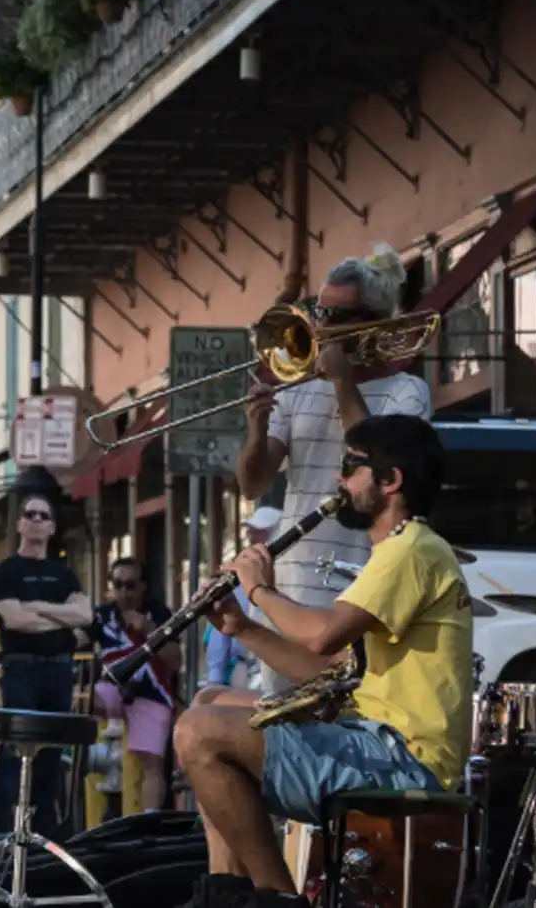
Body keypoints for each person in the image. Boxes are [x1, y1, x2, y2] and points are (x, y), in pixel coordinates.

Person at [176, 413, 473, 907]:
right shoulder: (394, 554)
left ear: (390, 480)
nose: (338, 479)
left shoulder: (414, 550)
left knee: (199, 730)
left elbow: (321, 635)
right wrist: (241, 628)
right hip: (373, 736)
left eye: (350, 466)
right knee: (210, 699)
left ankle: (275, 898)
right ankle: (223, 890)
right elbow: (330, 671)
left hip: (403, 758)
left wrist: (259, 589)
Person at [235, 244, 432, 693]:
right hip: (290, 581)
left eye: (338, 317)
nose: (321, 328)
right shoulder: (297, 390)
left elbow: (379, 460)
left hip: (360, 581)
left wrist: (343, 379)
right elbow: (253, 482)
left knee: (344, 714)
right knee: (280, 718)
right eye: (319, 312)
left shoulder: (408, 391)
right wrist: (255, 429)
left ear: (377, 322)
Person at [0, 494, 93, 839]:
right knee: (15, 746)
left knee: (51, 751)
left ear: (52, 526)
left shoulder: (64, 575)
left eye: (42, 515)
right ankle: (0, 830)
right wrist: (60, 618)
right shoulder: (6, 572)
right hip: (21, 670)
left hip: (59, 671)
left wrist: (37, 608)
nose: (35, 520)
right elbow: (14, 619)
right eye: (29, 514)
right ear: (18, 524)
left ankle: (43, 832)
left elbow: (85, 617)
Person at [86, 558, 180, 812]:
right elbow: (76, 643)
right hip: (111, 688)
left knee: (153, 761)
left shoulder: (160, 614)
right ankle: (92, 820)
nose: (124, 592)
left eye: (130, 585)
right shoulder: (102, 614)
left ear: (143, 587)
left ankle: (148, 822)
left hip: (152, 692)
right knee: (85, 705)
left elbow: (175, 661)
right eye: (117, 585)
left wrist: (150, 630)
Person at [204, 508, 280, 690]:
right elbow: (221, 632)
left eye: (260, 532)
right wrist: (215, 679)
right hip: (246, 667)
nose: (252, 538)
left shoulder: (290, 575)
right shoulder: (239, 577)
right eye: (251, 532)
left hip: (283, 665)